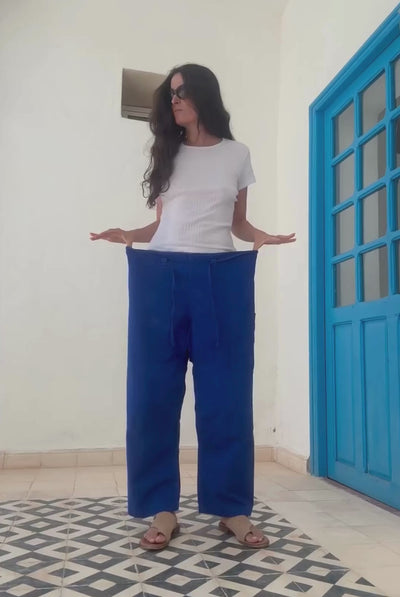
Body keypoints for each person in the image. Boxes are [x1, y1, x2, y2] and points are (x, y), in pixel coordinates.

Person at [90, 63, 296, 551]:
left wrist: (260, 236)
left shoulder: (237, 154)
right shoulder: (168, 154)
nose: (174, 99)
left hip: (221, 277)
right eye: (170, 93)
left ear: (204, 93)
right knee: (152, 398)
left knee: (227, 398)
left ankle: (232, 509)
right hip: (160, 276)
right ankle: (162, 508)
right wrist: (129, 233)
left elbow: (238, 222)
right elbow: (162, 224)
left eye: (181, 91)